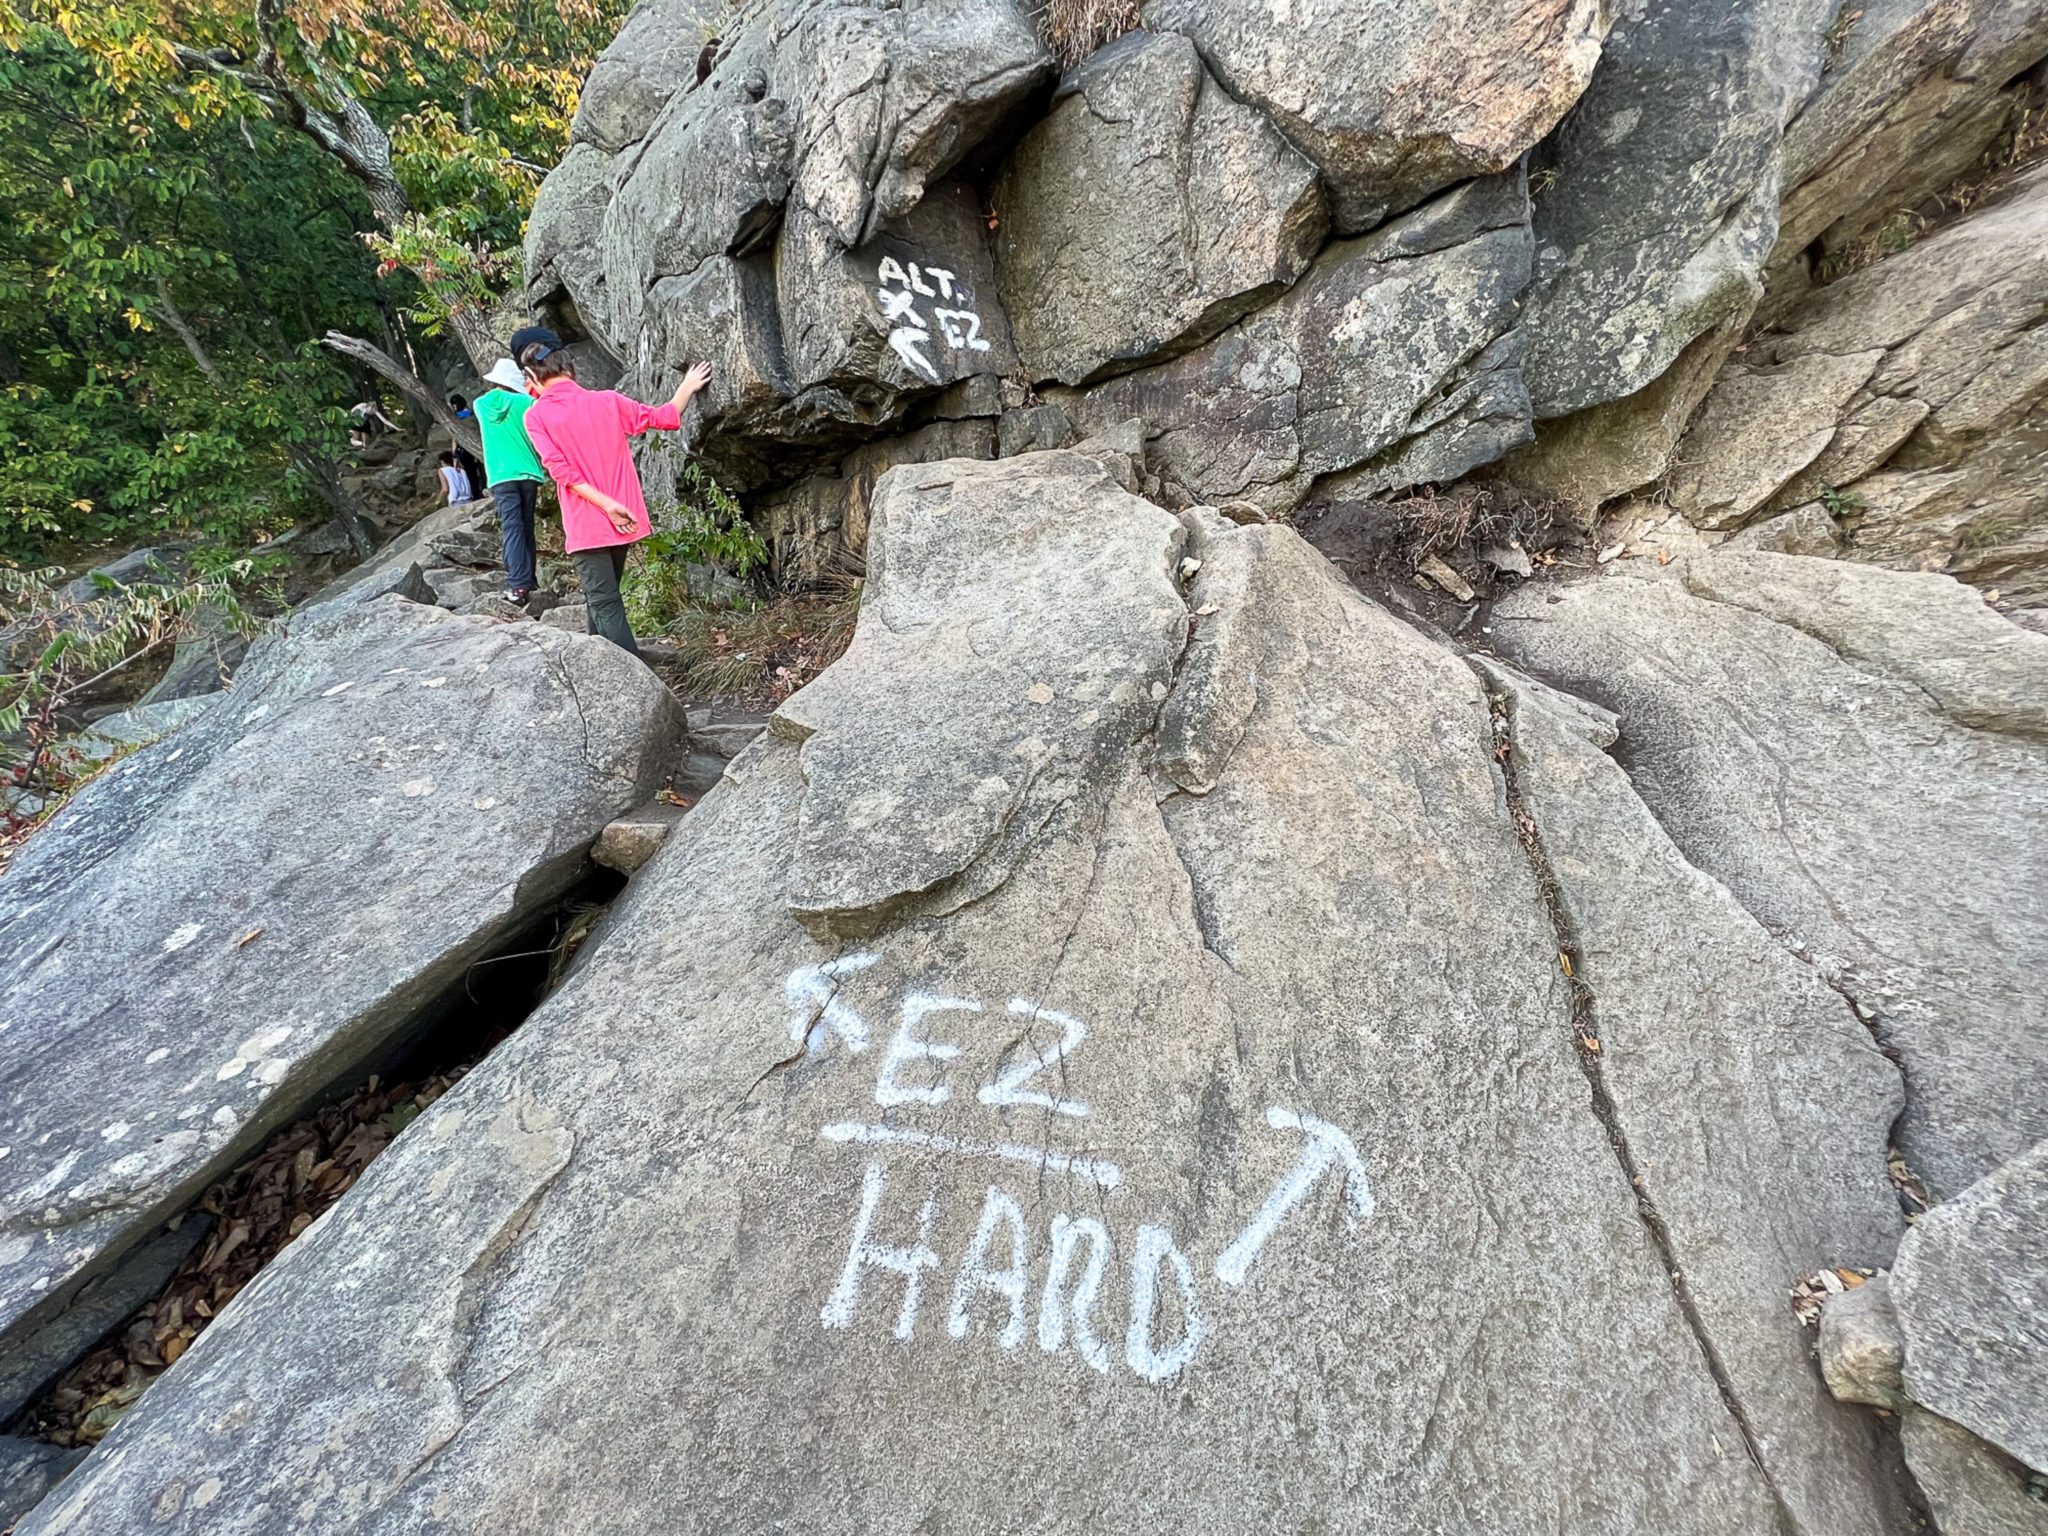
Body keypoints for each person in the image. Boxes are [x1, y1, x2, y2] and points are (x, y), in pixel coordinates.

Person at [518, 339, 712, 656]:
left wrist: (605, 505)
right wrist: (687, 386)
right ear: (569, 368)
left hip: (589, 522)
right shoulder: (608, 400)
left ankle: (637, 686)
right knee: (604, 598)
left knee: (605, 602)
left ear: (535, 376)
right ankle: (599, 660)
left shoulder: (536, 415)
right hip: (625, 517)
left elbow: (561, 471)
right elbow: (664, 416)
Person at [475, 358, 548, 601]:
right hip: (528, 472)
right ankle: (529, 580)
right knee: (526, 527)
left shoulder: (480, 405)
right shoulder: (528, 403)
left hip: (500, 476)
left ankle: (518, 586)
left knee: (512, 527)